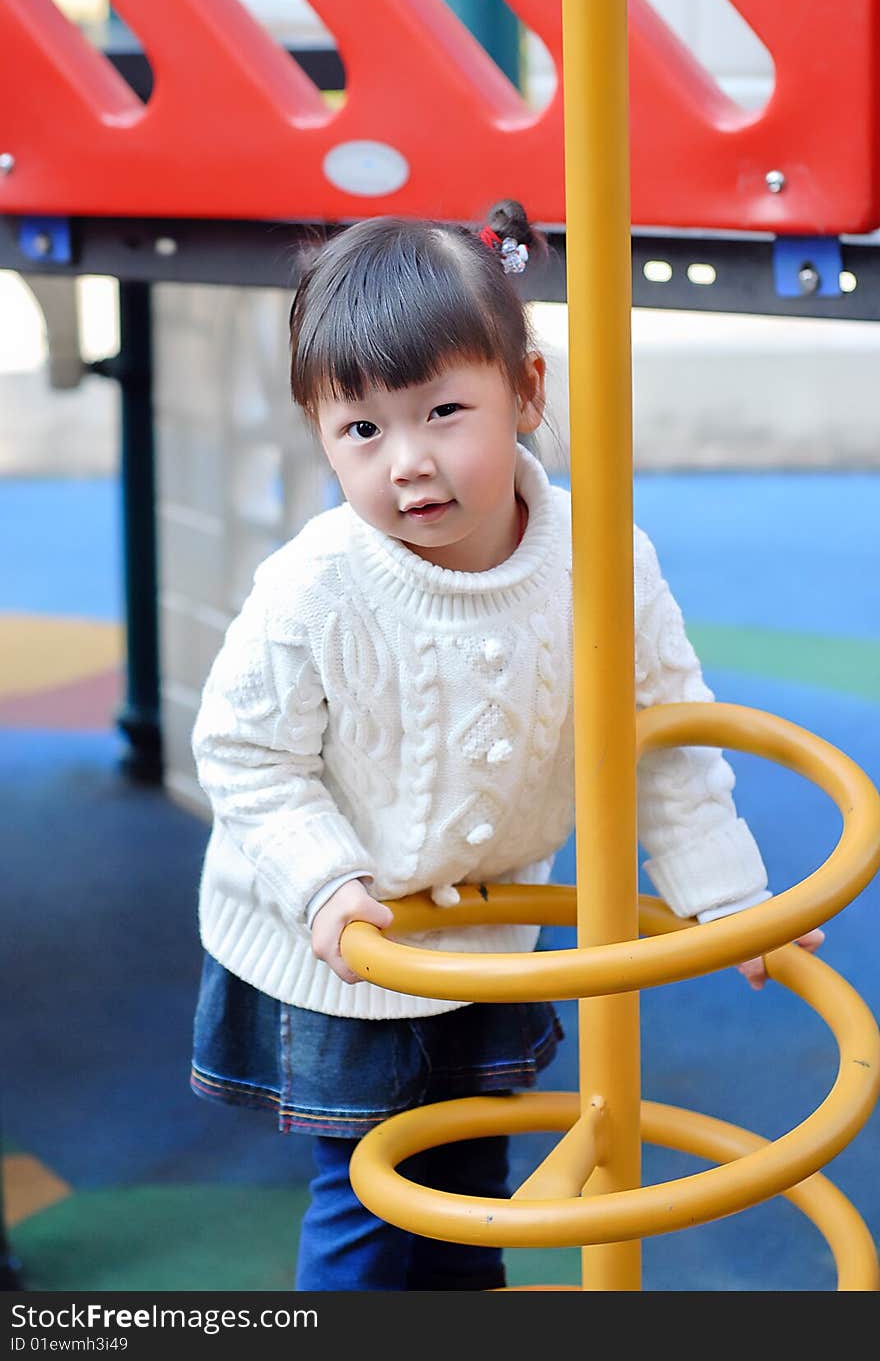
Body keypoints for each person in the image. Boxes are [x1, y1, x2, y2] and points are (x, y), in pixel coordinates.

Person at [189, 200, 823, 1291]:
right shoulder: (317, 586)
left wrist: (725, 894)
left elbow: (660, 730)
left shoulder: (601, 557)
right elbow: (245, 751)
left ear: (526, 391)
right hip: (346, 945)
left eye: (443, 410)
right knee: (372, 1197)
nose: (408, 463)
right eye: (362, 430)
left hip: (485, 934)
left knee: (473, 1179)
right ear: (319, 432)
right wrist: (325, 882)